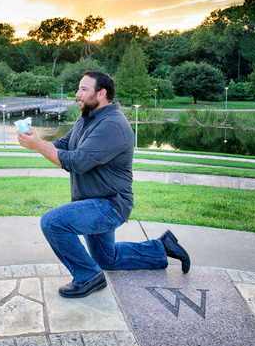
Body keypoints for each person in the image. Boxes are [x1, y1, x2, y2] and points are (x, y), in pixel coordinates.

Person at [17, 70, 191, 299]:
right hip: (93, 202)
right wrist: (36, 139)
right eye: (79, 89)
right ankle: (161, 248)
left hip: (109, 205)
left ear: (101, 94)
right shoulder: (88, 118)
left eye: (83, 89)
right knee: (106, 259)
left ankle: (88, 277)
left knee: (53, 222)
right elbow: (63, 145)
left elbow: (77, 162)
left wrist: (38, 145)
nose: (77, 94)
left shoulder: (112, 125)